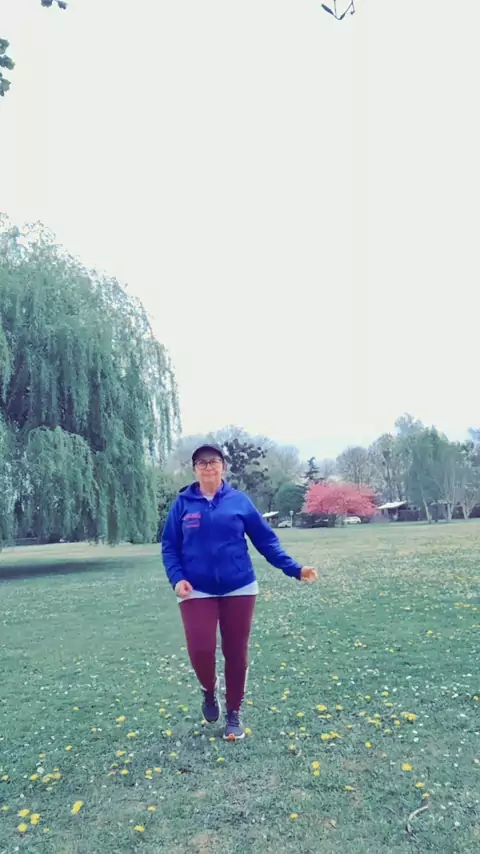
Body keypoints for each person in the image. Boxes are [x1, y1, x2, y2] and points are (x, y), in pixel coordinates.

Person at [161, 443, 318, 741]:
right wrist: (177, 578)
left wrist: (295, 569)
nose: (208, 466)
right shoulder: (182, 504)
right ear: (194, 470)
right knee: (201, 650)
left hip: (240, 587)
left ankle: (234, 714)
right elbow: (170, 546)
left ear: (223, 467)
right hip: (196, 589)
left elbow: (266, 541)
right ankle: (209, 689)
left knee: (235, 651)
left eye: (214, 461)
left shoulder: (239, 501)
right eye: (202, 462)